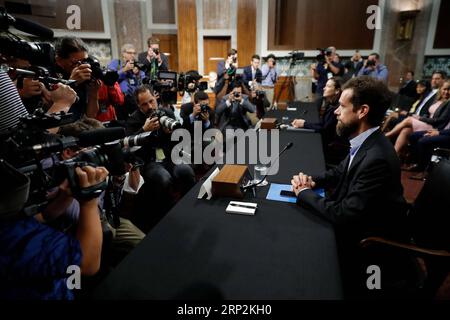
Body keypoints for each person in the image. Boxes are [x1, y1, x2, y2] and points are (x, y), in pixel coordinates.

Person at [291, 76, 408, 296]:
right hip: (358, 223)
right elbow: (338, 172)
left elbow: (345, 215)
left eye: (342, 107)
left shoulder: (377, 158)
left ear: (362, 111)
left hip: (369, 246)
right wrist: (313, 181)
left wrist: (305, 193)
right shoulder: (366, 141)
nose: (336, 111)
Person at [0, 163, 108, 299]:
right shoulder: (23, 239)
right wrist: (89, 203)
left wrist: (64, 198)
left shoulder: (13, 224)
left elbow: (41, 217)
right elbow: (87, 264)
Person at [291, 77, 348, 163]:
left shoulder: (336, 108)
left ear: (337, 91)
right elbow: (323, 124)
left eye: (328, 86)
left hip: (332, 149)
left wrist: (304, 124)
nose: (324, 88)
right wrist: (304, 123)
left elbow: (325, 129)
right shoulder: (330, 104)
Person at [385, 80, 450, 155]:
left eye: (448, 90)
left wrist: (420, 118)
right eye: (444, 89)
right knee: (406, 130)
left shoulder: (447, 102)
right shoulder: (437, 99)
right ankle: (395, 155)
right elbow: (428, 113)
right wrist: (420, 117)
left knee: (408, 119)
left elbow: (439, 120)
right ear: (440, 89)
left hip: (432, 125)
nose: (446, 92)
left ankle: (387, 135)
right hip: (427, 121)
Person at [52, 37, 101, 120]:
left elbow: (91, 116)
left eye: (84, 61)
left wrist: (93, 94)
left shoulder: (85, 78)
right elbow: (52, 111)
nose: (81, 66)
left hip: (79, 126)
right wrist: (71, 83)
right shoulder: (49, 75)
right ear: (59, 60)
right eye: (75, 62)